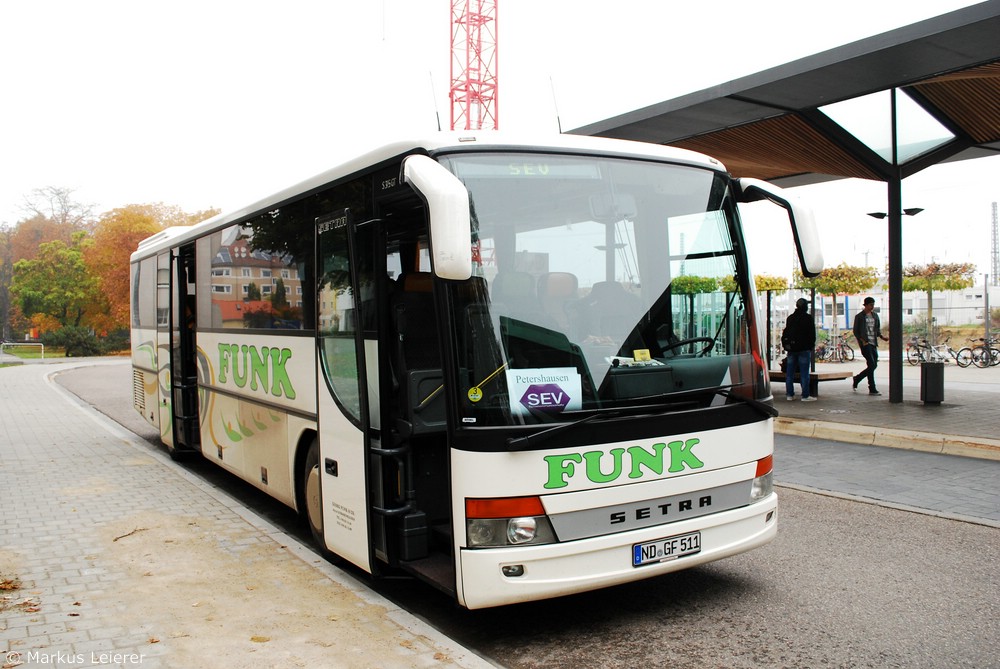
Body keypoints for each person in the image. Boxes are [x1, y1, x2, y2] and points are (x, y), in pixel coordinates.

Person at [851, 296, 888, 395]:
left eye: (873, 304)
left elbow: (877, 329)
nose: (872, 306)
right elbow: (855, 331)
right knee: (871, 364)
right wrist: (862, 340)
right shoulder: (859, 316)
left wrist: (881, 337)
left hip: (873, 343)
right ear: (866, 305)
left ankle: (857, 378)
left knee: (874, 364)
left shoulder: (875, 316)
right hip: (865, 344)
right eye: (871, 304)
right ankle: (872, 388)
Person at [782, 297, 817, 401]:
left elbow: (786, 332)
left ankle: (789, 394)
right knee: (804, 373)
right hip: (804, 349)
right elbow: (812, 334)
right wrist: (810, 346)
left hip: (791, 349)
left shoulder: (790, 318)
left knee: (790, 373)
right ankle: (805, 395)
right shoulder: (808, 318)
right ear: (806, 307)